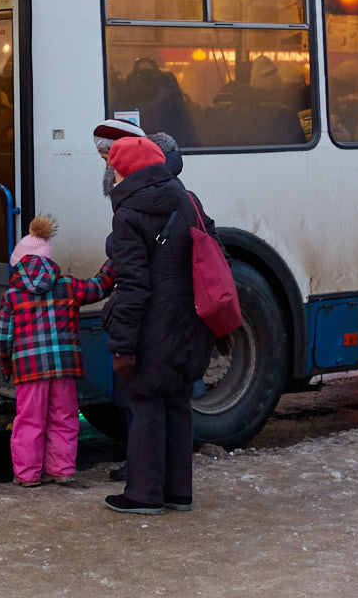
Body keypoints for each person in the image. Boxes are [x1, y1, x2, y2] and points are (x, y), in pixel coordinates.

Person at [101, 136, 227, 514]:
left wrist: (123, 346)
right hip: (191, 323)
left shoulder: (127, 214)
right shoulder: (189, 201)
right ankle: (178, 492)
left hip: (152, 329)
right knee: (177, 402)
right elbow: (215, 258)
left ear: (123, 171)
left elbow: (133, 287)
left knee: (145, 404)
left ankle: (143, 494)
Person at [0, 215, 115, 487]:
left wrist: (5, 365)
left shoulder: (13, 295)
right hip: (63, 367)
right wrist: (114, 261)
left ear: (19, 264)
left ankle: (27, 475)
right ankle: (61, 470)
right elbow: (99, 286)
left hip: (28, 371)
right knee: (64, 416)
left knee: (28, 421)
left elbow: (1, 335)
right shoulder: (67, 285)